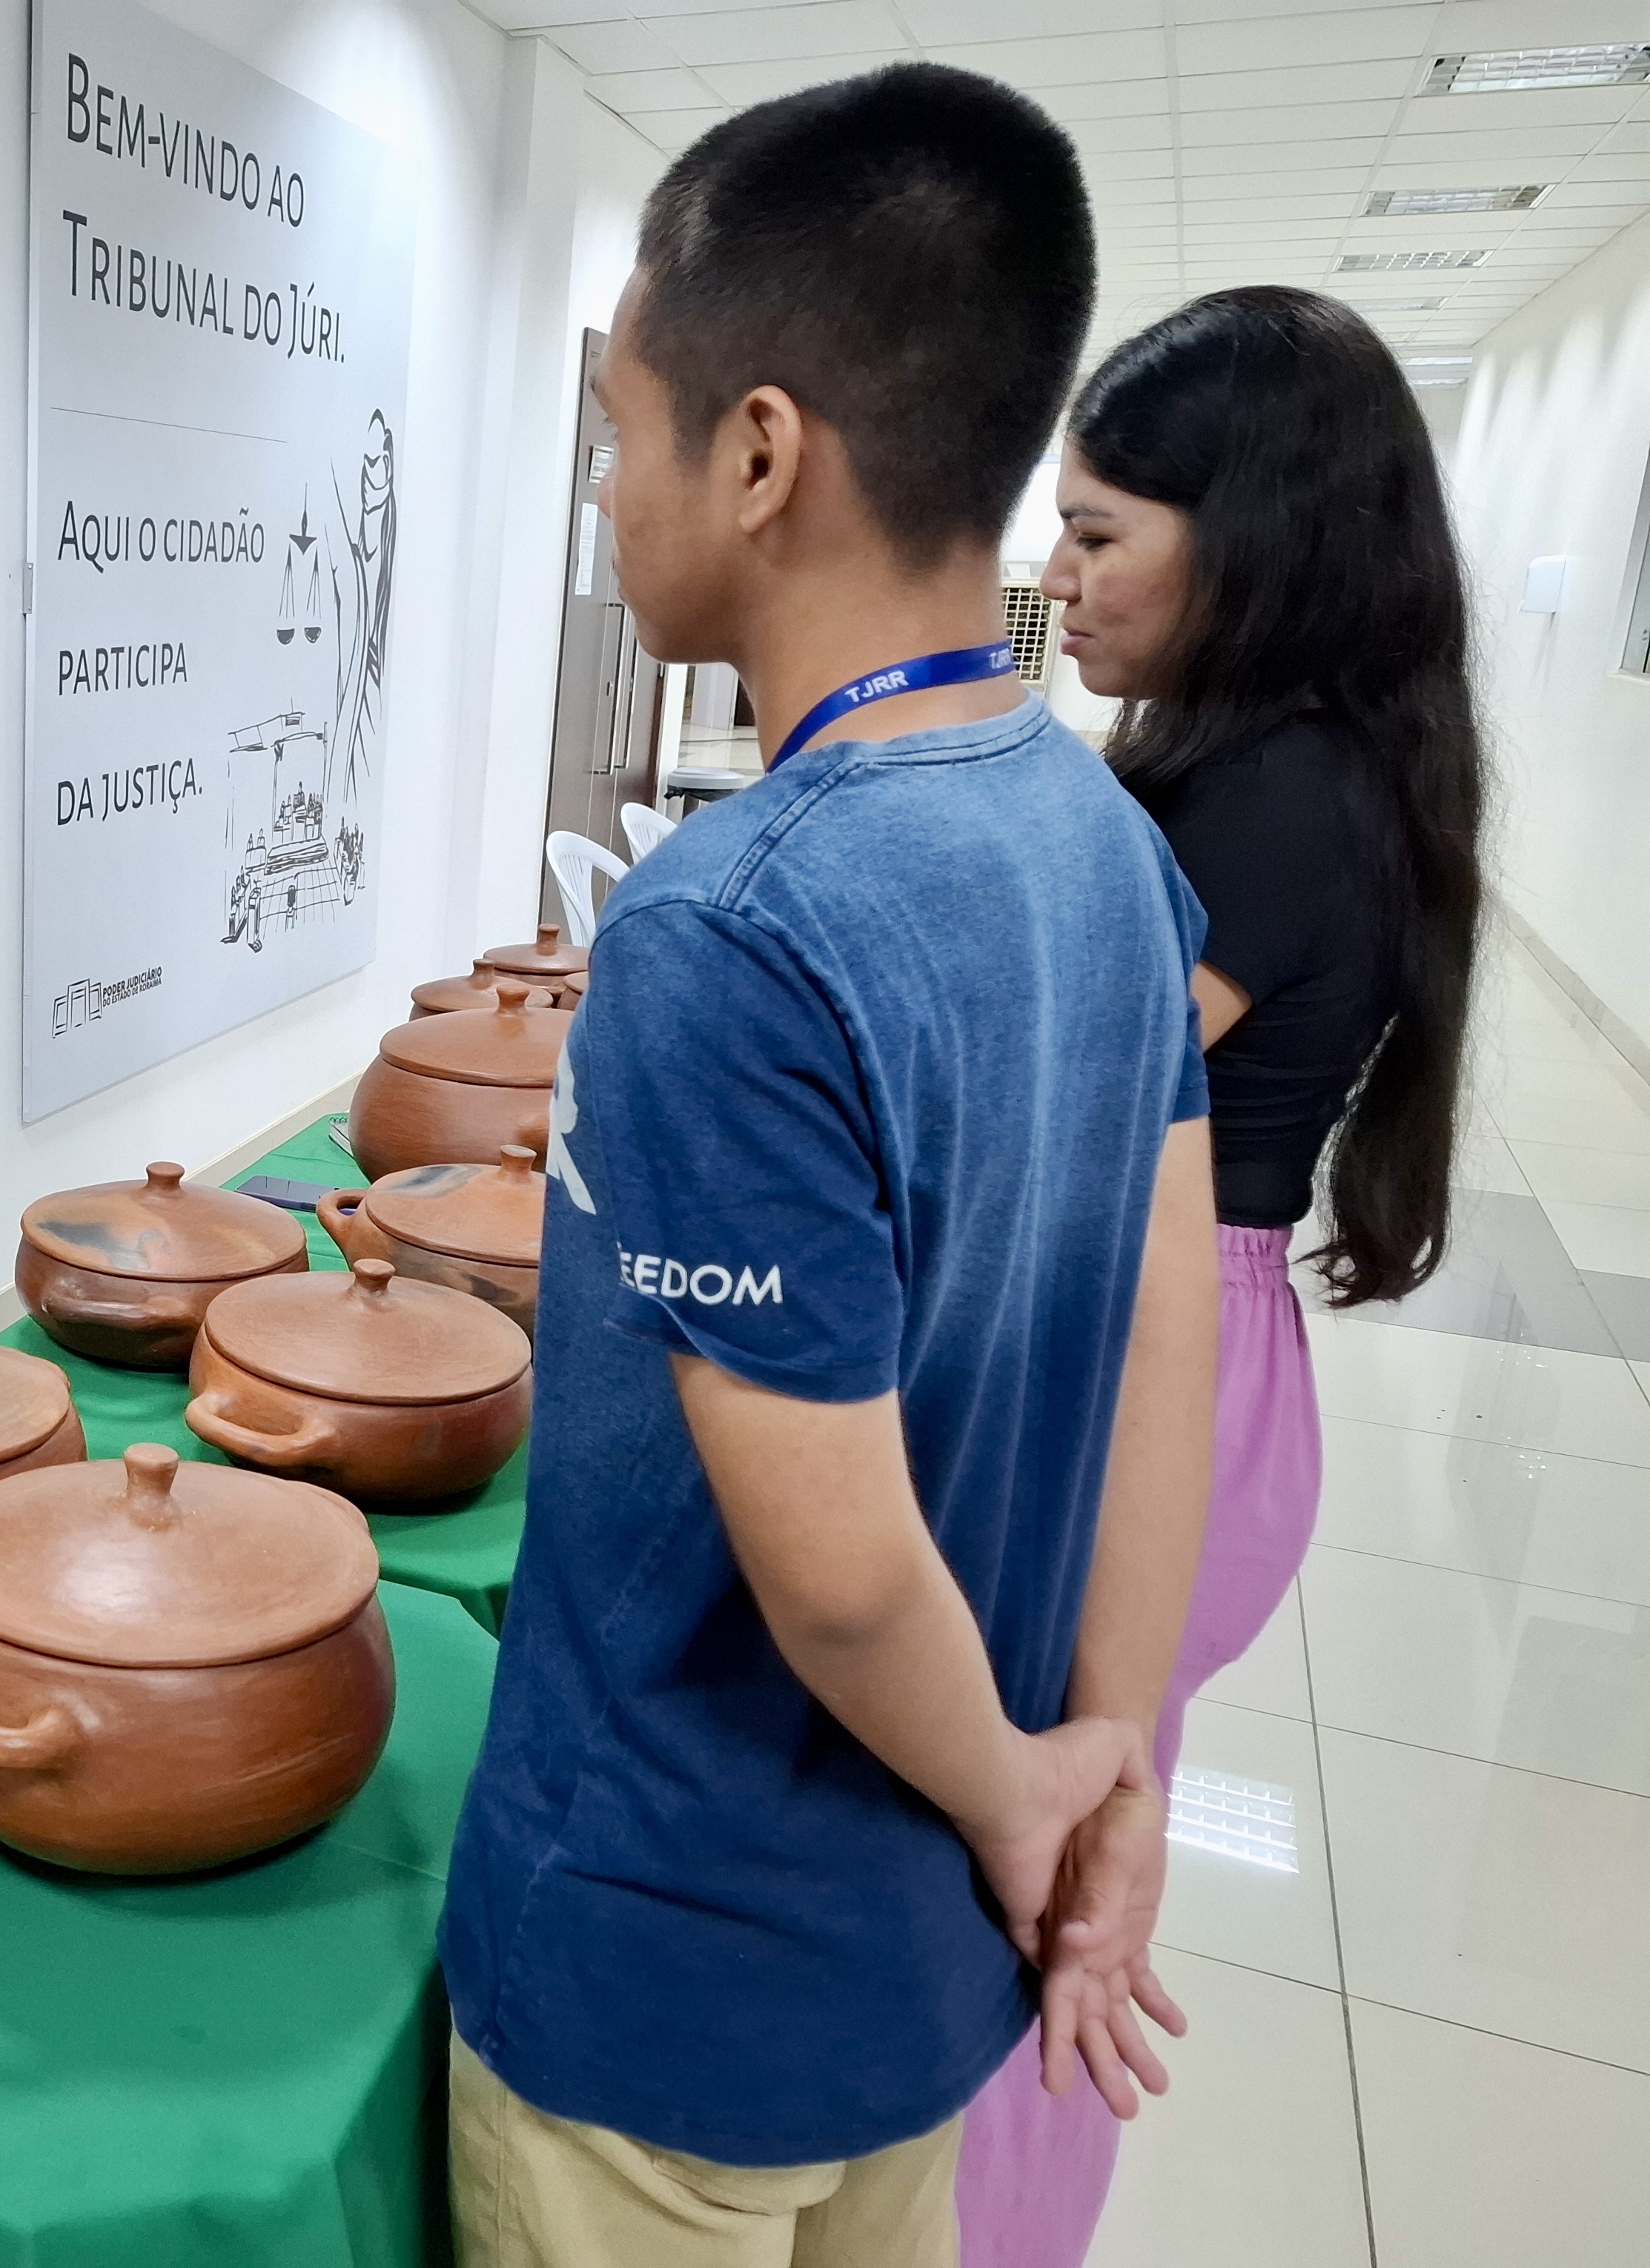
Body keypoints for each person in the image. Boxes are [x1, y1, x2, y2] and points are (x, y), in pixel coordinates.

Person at [439, 64, 1222, 2268]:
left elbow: (844, 1573)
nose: (603, 490)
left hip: (670, 1992)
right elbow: (1177, 1344)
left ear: (760, 449)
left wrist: (1020, 1800)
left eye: (618, 425)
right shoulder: (1108, 848)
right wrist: (1100, 1766)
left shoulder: (732, 926)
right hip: (919, 1973)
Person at [956, 287, 1485, 2266]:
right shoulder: (1261, 760)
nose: (1058, 577)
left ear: (1246, 546)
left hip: (1148, 1361)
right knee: (1065, 1840)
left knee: (1042, 1884)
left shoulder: (1277, 797)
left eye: (1099, 536)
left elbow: (1044, 1103)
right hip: (1173, 1338)